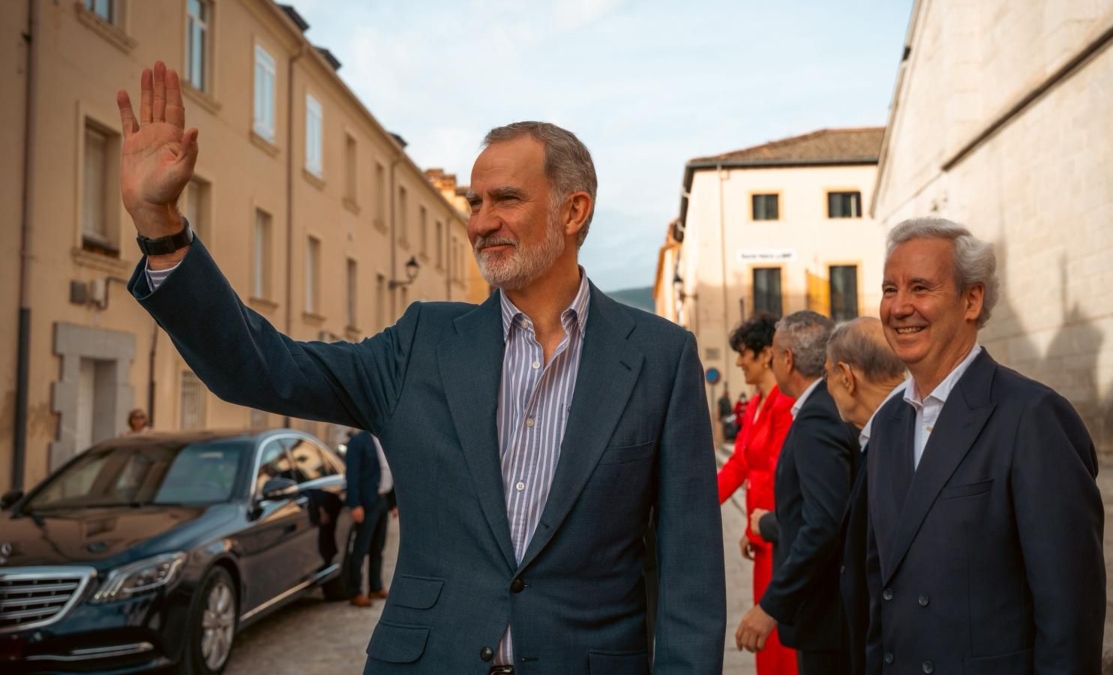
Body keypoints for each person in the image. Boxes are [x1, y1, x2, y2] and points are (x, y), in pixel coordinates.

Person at [116, 62, 724, 674]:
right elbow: (262, 368)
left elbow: (690, 576)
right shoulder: (422, 344)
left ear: (573, 211)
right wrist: (161, 230)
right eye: (475, 201)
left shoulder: (659, 356)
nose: (481, 221)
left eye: (506, 199)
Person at [865, 217, 1105, 673]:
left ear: (971, 299)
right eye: (889, 289)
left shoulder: (1032, 417)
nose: (899, 307)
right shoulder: (888, 425)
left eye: (920, 288)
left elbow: (1070, 613)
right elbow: (881, 587)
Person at [737, 311, 857, 675]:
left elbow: (823, 523)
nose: (769, 361)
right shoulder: (828, 407)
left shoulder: (817, 418)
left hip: (826, 618)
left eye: (772, 354)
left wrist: (771, 606)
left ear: (787, 360)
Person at [819, 317, 906, 675]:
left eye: (826, 374)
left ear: (845, 376)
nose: (826, 386)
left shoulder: (901, 438)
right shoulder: (885, 433)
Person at [717, 313, 797, 675]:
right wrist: (695, 504)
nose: (738, 361)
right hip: (762, 537)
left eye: (744, 353)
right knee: (767, 638)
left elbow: (784, 478)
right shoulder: (757, 404)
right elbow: (738, 465)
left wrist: (759, 527)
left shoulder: (783, 404)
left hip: (779, 534)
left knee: (780, 633)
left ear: (767, 354)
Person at [344, 430, 398, 608]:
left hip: (382, 500)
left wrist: (393, 503)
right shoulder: (358, 441)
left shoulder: (385, 439)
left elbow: (389, 472)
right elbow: (351, 475)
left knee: (378, 548)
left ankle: (375, 587)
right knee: (360, 549)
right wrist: (355, 504)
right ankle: (355, 591)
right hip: (366, 504)